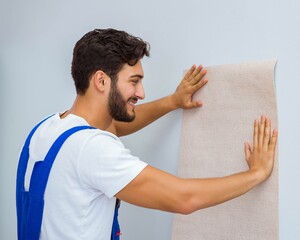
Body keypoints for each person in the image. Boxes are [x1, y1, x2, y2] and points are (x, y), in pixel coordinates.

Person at [16, 28, 278, 240]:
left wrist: (172, 102)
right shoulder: (93, 149)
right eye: (134, 81)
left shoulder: (48, 129)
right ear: (101, 80)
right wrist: (254, 174)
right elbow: (184, 198)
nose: (142, 93)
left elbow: (114, 125)